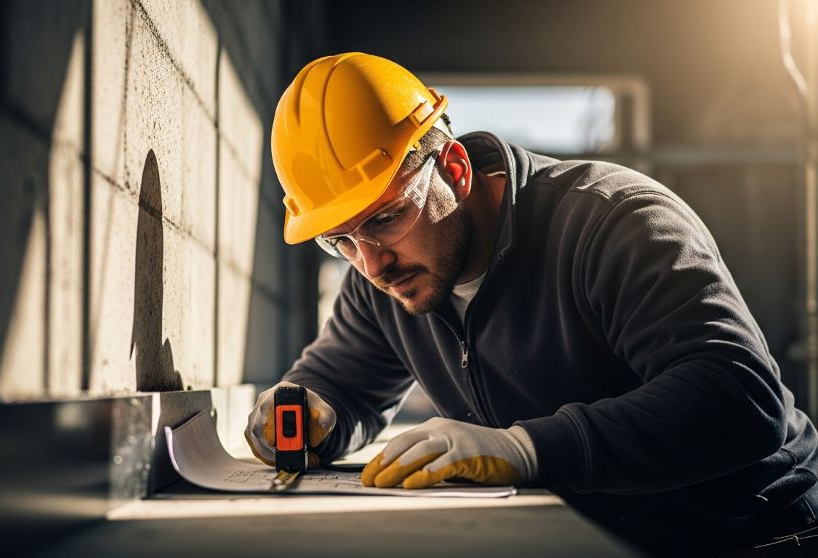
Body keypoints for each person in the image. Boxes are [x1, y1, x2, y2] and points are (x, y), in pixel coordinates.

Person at [244, 52, 818, 556]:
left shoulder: (611, 221)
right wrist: (306, 417)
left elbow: (740, 397)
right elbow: (336, 387)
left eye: (388, 216)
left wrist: (527, 448)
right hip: (603, 537)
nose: (371, 264)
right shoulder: (384, 278)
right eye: (339, 239)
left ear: (455, 169)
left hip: (757, 536)